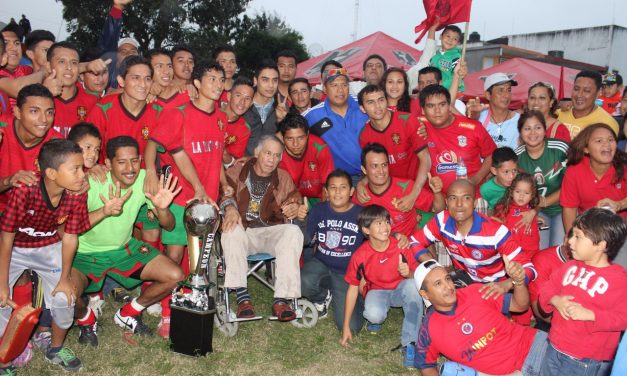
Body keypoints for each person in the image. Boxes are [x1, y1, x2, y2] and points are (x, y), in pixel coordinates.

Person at [72, 136, 184, 344]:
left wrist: (161, 208)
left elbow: (168, 225)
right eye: (121, 162)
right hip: (84, 254)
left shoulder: (144, 179)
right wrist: (104, 211)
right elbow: (69, 227)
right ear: (107, 164)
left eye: (134, 160)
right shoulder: (90, 183)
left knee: (175, 276)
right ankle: (86, 318)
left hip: (124, 249)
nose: (130, 168)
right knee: (67, 296)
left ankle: (128, 312)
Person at [144, 60, 228, 336]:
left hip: (207, 202)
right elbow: (153, 143)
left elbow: (216, 160)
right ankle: (166, 311)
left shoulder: (220, 118)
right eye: (211, 79)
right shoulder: (177, 111)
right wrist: (150, 173)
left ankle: (188, 306)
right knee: (175, 255)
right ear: (197, 84)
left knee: (197, 262)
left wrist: (218, 189)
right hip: (181, 197)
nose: (216, 85)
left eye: (220, 80)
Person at [0, 139, 90, 373]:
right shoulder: (24, 191)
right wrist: (2, 284)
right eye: (76, 169)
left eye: (83, 167)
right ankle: (4, 359)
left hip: (48, 246)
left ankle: (56, 349)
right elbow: (6, 238)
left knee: (65, 297)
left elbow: (70, 237)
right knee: (0, 299)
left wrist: (64, 278)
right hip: (16, 248)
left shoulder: (76, 194)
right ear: (50, 173)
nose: (83, 174)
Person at [219, 135, 306, 321]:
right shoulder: (238, 171)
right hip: (243, 232)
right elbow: (223, 192)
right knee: (231, 229)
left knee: (293, 232)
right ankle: (242, 298)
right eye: (267, 153)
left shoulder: (282, 177)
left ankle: (282, 300)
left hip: (269, 232)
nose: (271, 159)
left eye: (276, 155)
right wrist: (230, 207)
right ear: (257, 153)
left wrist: (294, 205)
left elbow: (295, 195)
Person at [414, 258, 549, 376]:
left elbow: (520, 305)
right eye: (438, 283)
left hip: (535, 347)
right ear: (424, 293)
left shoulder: (475, 291)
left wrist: (519, 283)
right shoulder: (429, 329)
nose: (448, 286)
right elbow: (426, 366)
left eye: (448, 278)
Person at [539, 208, 627, 376]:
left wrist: (592, 315)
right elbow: (546, 288)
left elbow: (623, 317)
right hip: (554, 347)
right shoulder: (570, 266)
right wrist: (555, 299)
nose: (570, 241)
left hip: (585, 361)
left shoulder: (619, 279)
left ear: (601, 245)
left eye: (578, 237)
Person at [410, 179, 536, 289]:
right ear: (447, 202)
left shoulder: (496, 232)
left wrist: (507, 284)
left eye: (466, 198)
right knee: (438, 298)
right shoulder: (441, 221)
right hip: (465, 281)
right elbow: (415, 241)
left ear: (475, 203)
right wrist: (434, 266)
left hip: (494, 285)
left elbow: (530, 268)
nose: (459, 204)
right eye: (453, 198)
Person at [340, 205, 425, 369]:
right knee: (374, 315)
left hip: (401, 288)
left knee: (413, 288)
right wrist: (346, 327)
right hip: (377, 290)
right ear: (366, 229)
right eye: (378, 223)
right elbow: (352, 289)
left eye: (386, 222)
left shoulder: (401, 245)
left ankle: (410, 343)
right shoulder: (360, 255)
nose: (385, 227)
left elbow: (419, 275)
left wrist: (409, 273)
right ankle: (376, 319)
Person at [301, 169, 364, 330]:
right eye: (333, 187)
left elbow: (372, 245)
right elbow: (305, 240)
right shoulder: (319, 210)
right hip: (321, 263)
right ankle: (322, 296)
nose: (337, 192)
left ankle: (353, 298)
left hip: (347, 273)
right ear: (326, 191)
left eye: (342, 187)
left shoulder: (361, 214)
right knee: (302, 282)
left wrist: (364, 276)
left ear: (351, 191)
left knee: (351, 327)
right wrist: (300, 220)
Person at [357, 85, 432, 214]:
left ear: (387, 101)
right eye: (371, 102)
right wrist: (360, 184)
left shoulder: (408, 121)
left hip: (418, 189)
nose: (378, 106)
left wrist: (413, 194)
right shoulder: (365, 135)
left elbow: (426, 159)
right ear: (363, 109)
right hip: (393, 196)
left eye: (381, 100)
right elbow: (372, 169)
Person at [354, 143, 443, 238]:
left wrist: (437, 192)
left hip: (411, 246)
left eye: (384, 165)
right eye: (374, 166)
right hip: (379, 249)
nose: (381, 171)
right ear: (364, 170)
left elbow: (439, 209)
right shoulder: (361, 195)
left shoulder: (406, 187)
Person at [420, 84, 496, 194]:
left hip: (473, 198)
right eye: (431, 106)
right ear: (423, 110)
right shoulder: (418, 126)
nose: (437, 110)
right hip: (437, 201)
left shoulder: (473, 127)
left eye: (442, 104)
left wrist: (475, 180)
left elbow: (492, 155)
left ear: (449, 106)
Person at [304, 66, 368, 184]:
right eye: (334, 85)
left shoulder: (364, 104)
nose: (340, 90)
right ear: (325, 89)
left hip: (371, 175)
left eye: (344, 84)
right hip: (337, 180)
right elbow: (288, 134)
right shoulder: (313, 115)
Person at [560, 123, 627, 234]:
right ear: (586, 149)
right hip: (589, 230)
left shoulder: (624, 167)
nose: (607, 144)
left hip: (622, 228)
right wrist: (571, 237)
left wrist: (619, 204)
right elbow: (569, 208)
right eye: (599, 141)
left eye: (611, 140)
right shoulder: (574, 172)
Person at [515, 110, 569, 248]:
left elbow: (572, 185)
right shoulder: (517, 157)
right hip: (535, 211)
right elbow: (516, 192)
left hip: (562, 208)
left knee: (559, 250)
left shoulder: (560, 149)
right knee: (539, 251)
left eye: (537, 127)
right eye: (527, 128)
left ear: (545, 130)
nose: (533, 133)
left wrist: (545, 202)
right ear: (520, 133)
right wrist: (533, 211)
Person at [278, 113, 334, 203]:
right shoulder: (278, 156)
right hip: (294, 197)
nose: (295, 144)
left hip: (319, 197)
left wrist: (323, 211)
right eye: (290, 139)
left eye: (300, 138)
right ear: (282, 138)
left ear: (307, 135)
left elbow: (328, 184)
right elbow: (284, 192)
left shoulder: (319, 146)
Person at [47, 42, 98, 138]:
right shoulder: (37, 98)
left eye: (74, 63)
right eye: (62, 62)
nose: (69, 67)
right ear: (48, 66)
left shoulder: (93, 101)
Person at [528, 231, 571, 332]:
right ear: (566, 240)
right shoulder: (543, 260)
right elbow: (539, 311)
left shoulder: (595, 262)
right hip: (554, 322)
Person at [557, 70, 620, 139]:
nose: (579, 95)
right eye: (576, 89)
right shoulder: (557, 114)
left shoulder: (608, 123)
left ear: (598, 93)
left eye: (587, 91)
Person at [494, 172, 541, 256]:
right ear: (511, 192)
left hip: (532, 254)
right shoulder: (503, 209)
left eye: (526, 193)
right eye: (518, 191)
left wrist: (535, 215)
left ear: (532, 195)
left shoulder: (531, 210)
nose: (521, 196)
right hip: (511, 253)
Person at [243, 60, 280, 156]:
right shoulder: (243, 104)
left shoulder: (282, 105)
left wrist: (282, 121)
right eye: (265, 80)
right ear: (255, 80)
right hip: (244, 164)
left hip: (271, 164)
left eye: (275, 80)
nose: (271, 85)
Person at [476, 72, 521, 149]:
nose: (506, 95)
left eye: (509, 90)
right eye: (501, 90)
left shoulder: (520, 121)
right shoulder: (479, 118)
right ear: (488, 95)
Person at [223, 77, 255, 164]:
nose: (242, 102)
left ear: (251, 104)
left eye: (247, 98)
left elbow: (234, 162)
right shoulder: (212, 114)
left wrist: (223, 151)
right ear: (229, 96)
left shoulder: (244, 129)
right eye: (238, 95)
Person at [479, 146, 518, 213]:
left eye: (514, 170)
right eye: (506, 172)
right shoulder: (486, 190)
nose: (511, 176)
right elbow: (482, 213)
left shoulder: (520, 182)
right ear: (494, 171)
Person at [429, 25, 463, 92]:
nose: (450, 40)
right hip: (434, 92)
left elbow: (457, 78)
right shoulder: (434, 57)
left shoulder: (457, 58)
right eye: (448, 36)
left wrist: (439, 85)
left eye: (455, 39)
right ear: (441, 36)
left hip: (451, 93)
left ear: (458, 42)